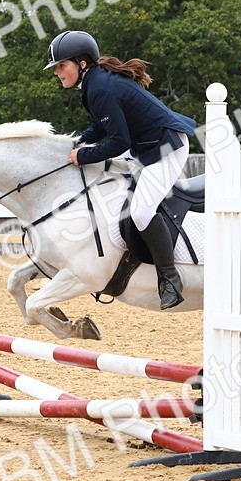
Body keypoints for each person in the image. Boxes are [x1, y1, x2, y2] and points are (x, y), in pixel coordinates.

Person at [45, 30, 196, 310]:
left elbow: (118, 141)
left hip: (166, 147)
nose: (57, 72)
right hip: (144, 146)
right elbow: (102, 128)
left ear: (81, 63)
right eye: (55, 67)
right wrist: (75, 143)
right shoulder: (94, 83)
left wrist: (84, 155)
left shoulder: (99, 87)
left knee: (140, 211)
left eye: (61, 65)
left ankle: (170, 279)